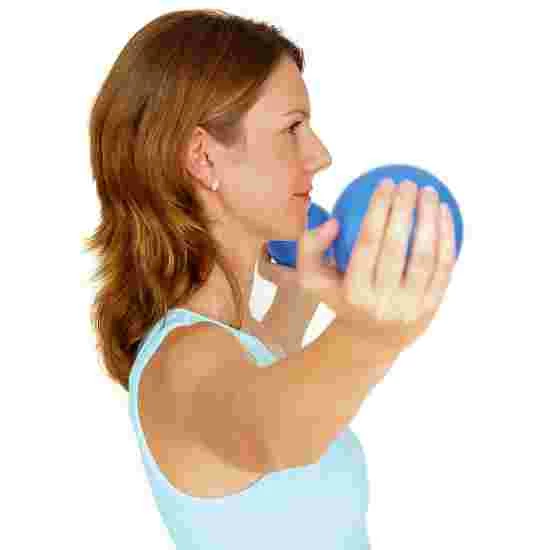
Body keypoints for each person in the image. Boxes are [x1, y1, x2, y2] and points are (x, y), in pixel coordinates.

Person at [85, 9, 455, 549]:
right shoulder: (183, 364)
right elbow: (281, 434)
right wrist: (374, 332)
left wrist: (302, 292)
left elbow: (273, 373)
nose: (320, 155)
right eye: (292, 128)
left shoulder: (236, 340)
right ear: (202, 156)